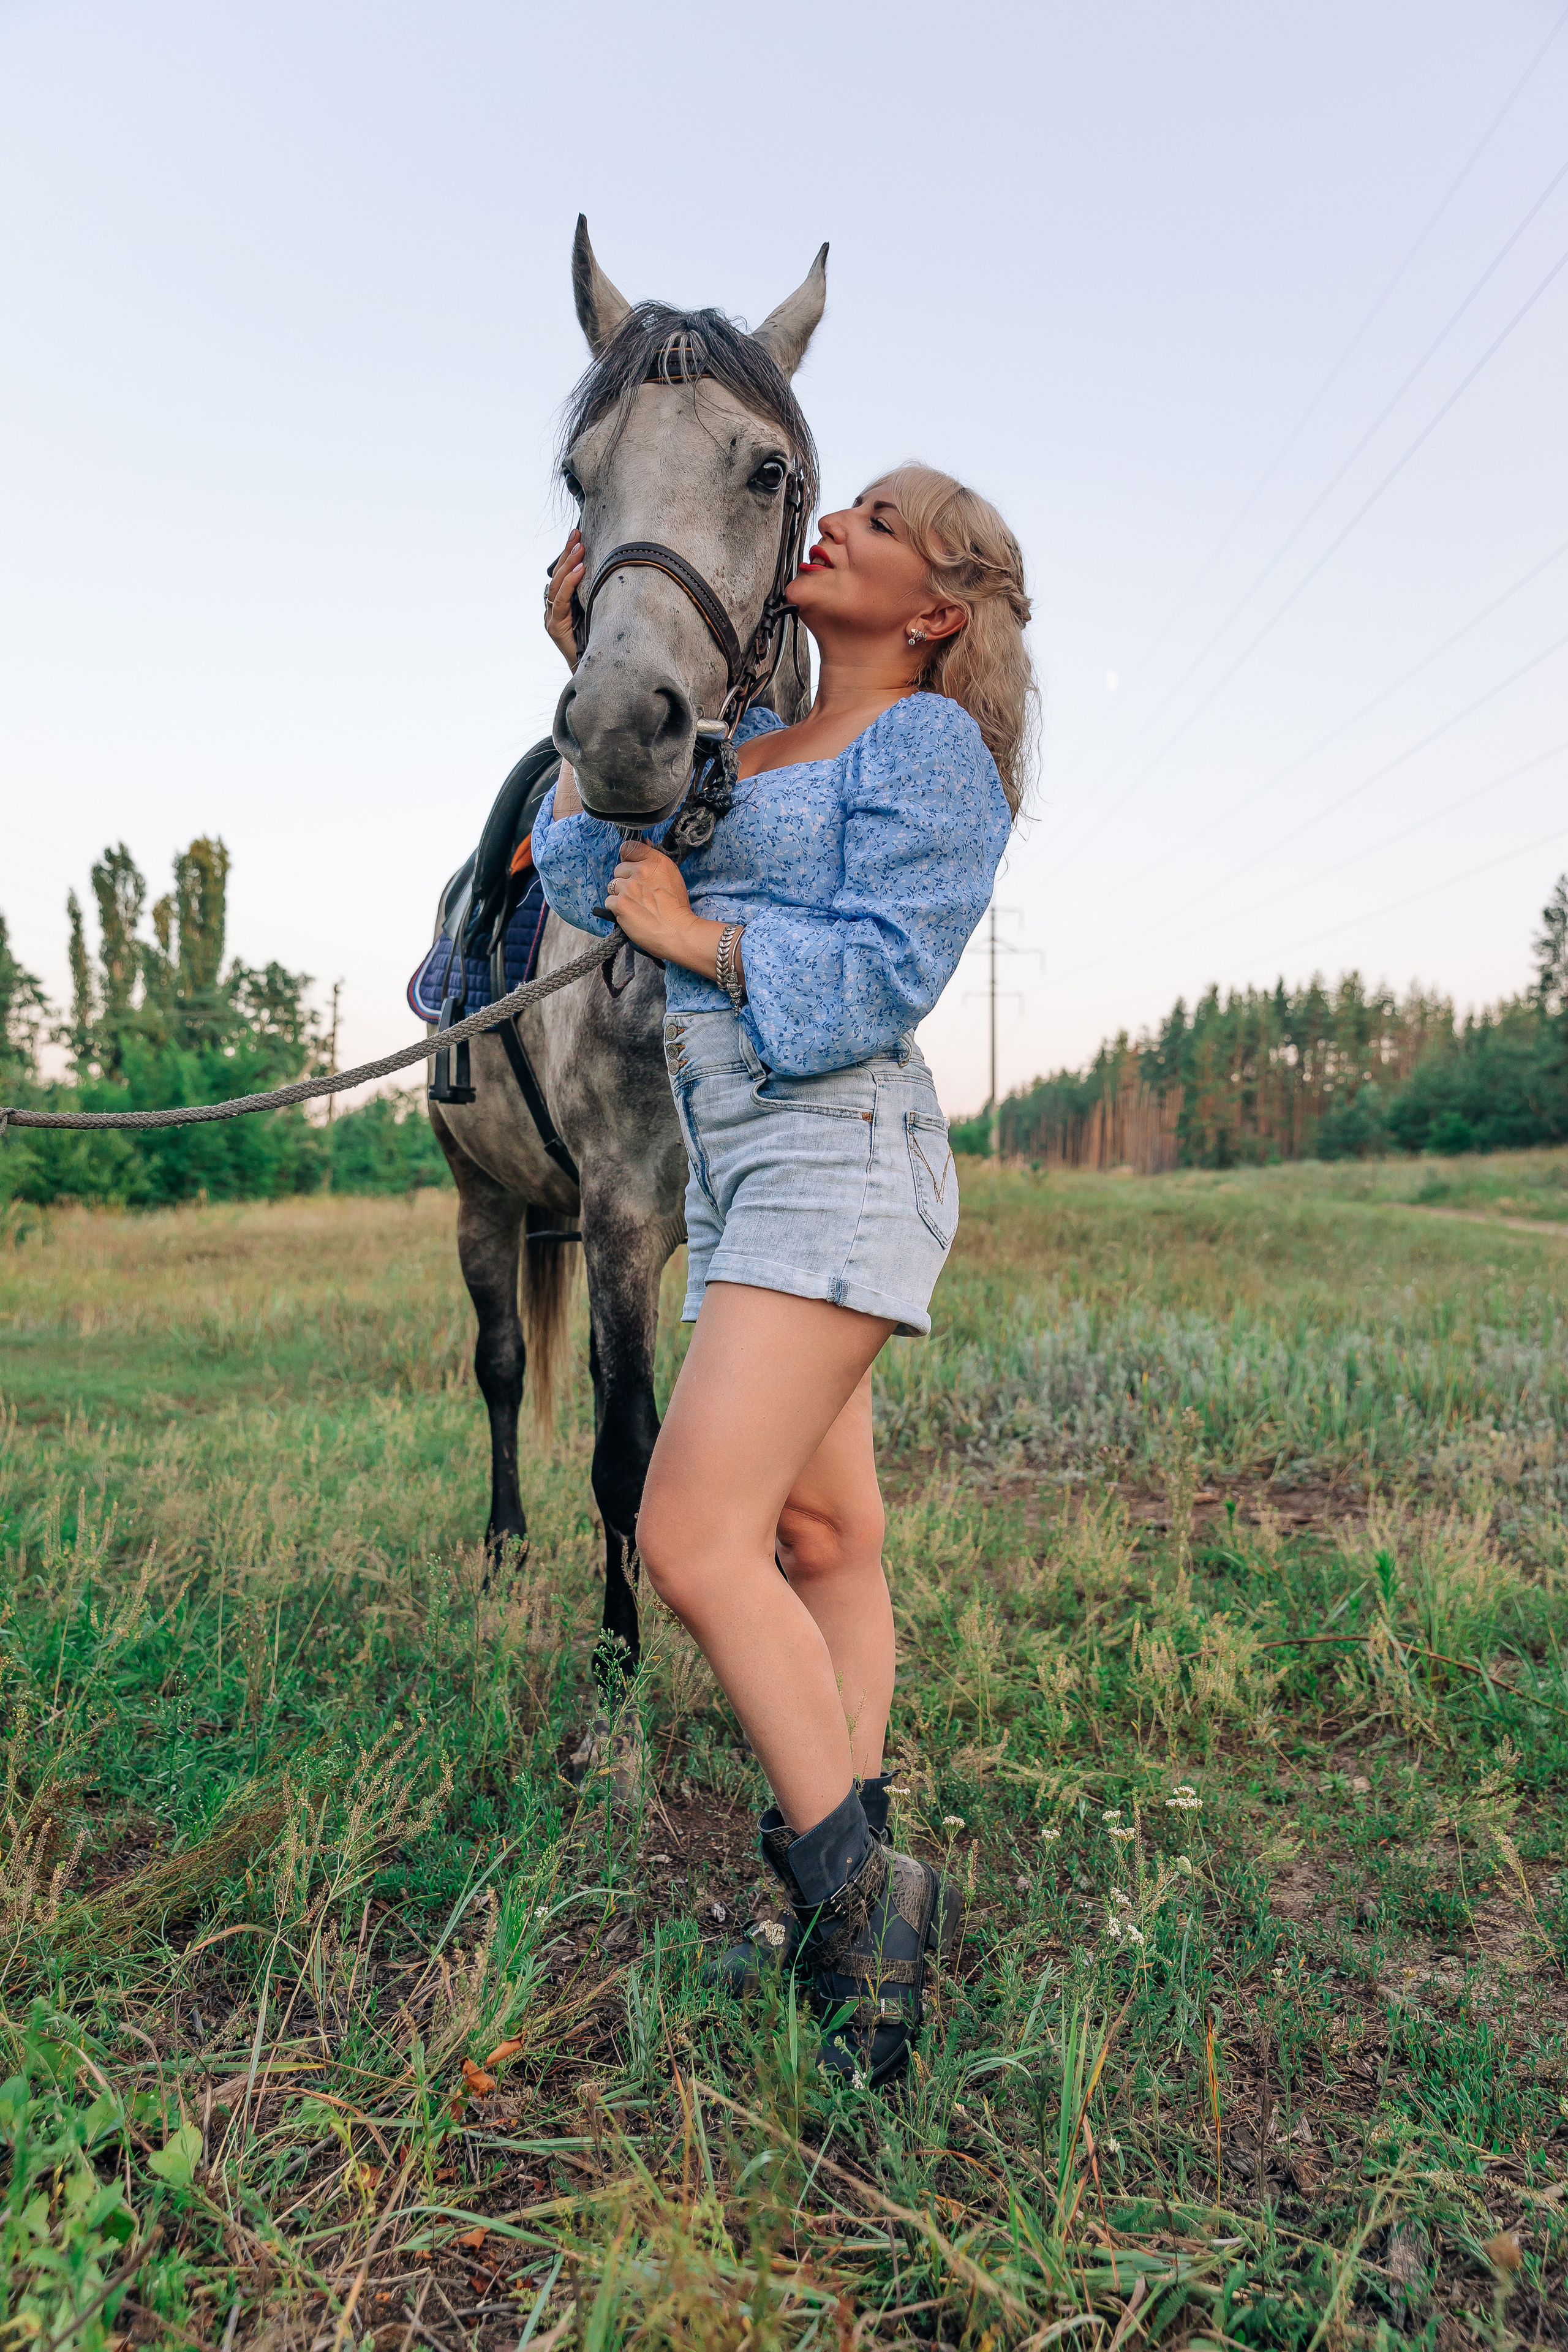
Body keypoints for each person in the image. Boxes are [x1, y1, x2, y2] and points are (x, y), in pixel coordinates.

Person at [532, 464, 1034, 2085]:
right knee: (822, 1533)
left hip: (836, 1146)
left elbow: (889, 973)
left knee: (690, 1535)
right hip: (741, 1160)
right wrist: (574, 679)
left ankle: (858, 1916)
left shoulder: (931, 747)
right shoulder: (747, 750)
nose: (838, 526)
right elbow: (578, 879)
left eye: (879, 524)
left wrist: (698, 943)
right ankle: (863, 1926)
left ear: (937, 608)